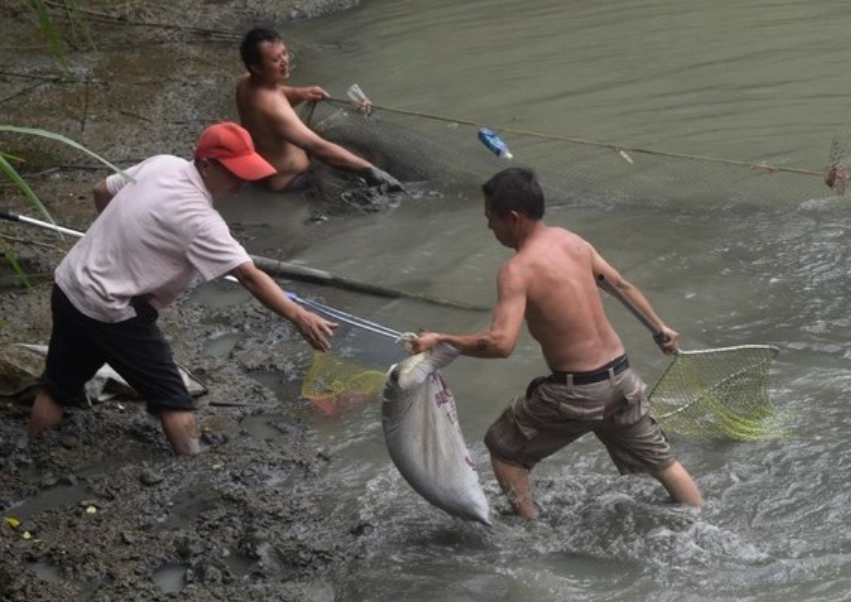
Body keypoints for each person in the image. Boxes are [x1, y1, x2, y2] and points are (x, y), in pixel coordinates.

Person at [409, 167, 703, 519]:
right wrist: (660, 327)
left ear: (514, 218)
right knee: (663, 463)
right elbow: (619, 285)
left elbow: (500, 344)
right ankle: (700, 516)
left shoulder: (517, 270)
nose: (489, 227)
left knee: (504, 451)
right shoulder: (572, 241)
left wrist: (443, 339)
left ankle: (530, 538)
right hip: (622, 378)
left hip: (577, 392)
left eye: (491, 219)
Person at [28, 122, 339, 455]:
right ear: (205, 164)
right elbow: (249, 276)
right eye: (234, 173)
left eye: (247, 172)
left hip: (70, 284)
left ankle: (31, 448)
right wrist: (298, 315)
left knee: (58, 386)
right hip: (110, 309)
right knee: (174, 398)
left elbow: (102, 189)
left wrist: (122, 238)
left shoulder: (163, 163)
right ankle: (190, 463)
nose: (242, 182)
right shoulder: (200, 219)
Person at [235, 26, 402, 193]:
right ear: (256, 67)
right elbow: (318, 147)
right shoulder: (274, 109)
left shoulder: (246, 82)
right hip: (291, 183)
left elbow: (276, 93)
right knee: (368, 170)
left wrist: (301, 93)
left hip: (267, 173)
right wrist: (371, 169)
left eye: (284, 53)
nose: (284, 62)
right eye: (275, 60)